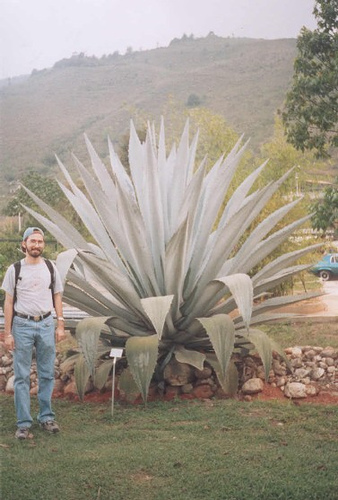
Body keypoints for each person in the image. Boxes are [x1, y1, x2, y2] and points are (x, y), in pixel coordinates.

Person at [1, 227, 65, 440]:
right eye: (32, 241)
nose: (36, 245)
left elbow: (57, 296)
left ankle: (46, 417)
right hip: (22, 325)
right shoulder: (15, 269)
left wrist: (60, 324)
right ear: (24, 244)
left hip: (46, 324)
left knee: (47, 374)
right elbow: (8, 302)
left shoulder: (50, 267)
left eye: (40, 241)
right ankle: (23, 423)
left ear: (43, 244)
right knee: (21, 376)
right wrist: (7, 332)